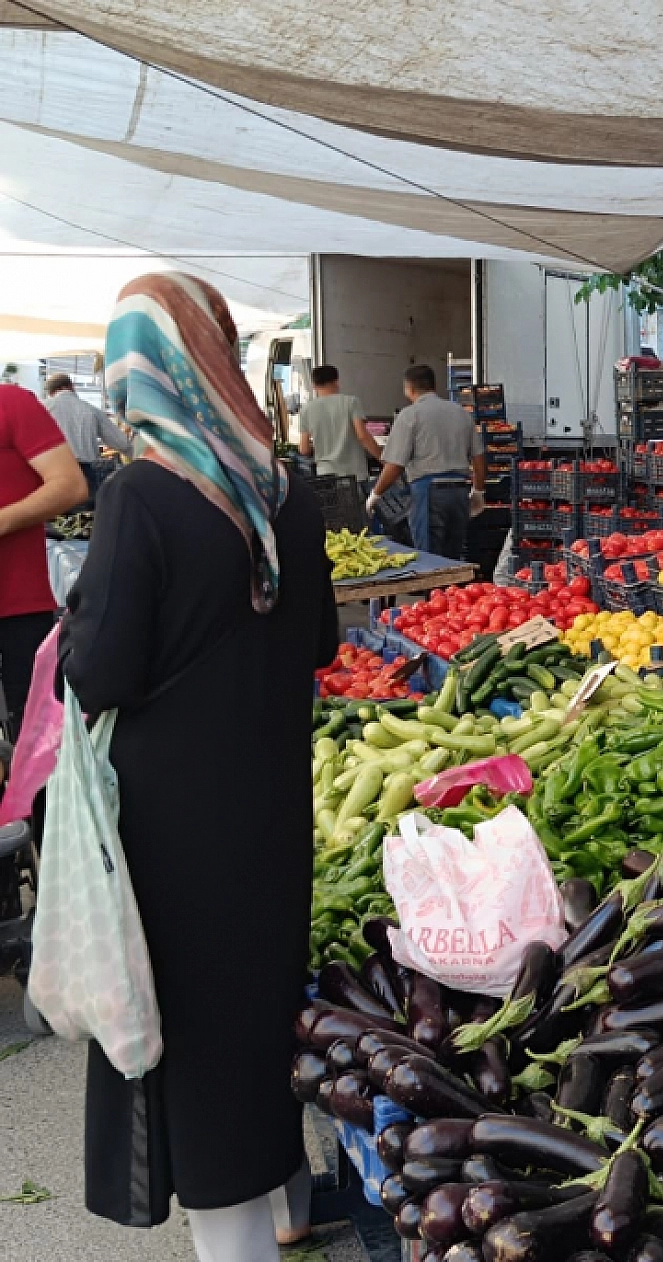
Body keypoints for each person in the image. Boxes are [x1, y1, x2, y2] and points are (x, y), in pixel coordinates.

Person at [60, 273, 338, 1261]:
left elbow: (101, 670)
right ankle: (291, 1202)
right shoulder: (287, 494)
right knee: (258, 1016)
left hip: (174, 825)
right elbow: (319, 643)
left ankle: (241, 1249)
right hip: (272, 802)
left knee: (196, 1044)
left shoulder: (141, 494)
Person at [0, 387, 86, 735]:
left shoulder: (12, 403)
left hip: (18, 605)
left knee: (35, 739)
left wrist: (3, 520)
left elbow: (70, 485)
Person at [366, 364, 485, 559]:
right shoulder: (461, 413)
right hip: (459, 493)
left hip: (429, 494)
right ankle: (451, 591)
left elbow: (395, 465)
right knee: (454, 559)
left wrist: (375, 494)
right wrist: (478, 491)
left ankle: (433, 591)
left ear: (409, 389)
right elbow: (479, 457)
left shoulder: (409, 415)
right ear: (434, 386)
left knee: (430, 559)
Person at [43, 373, 130, 495]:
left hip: (54, 472)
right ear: (71, 387)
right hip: (86, 473)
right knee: (86, 511)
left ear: (51, 393)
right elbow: (122, 443)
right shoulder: (91, 409)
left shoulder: (43, 408)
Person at [295, 364, 379, 483]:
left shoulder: (306, 410)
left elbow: (304, 449)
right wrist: (384, 460)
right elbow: (363, 436)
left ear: (314, 385)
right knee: (356, 502)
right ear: (336, 382)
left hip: (326, 475)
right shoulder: (351, 402)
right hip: (354, 474)